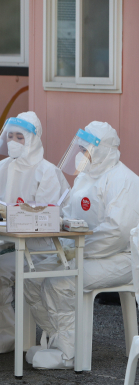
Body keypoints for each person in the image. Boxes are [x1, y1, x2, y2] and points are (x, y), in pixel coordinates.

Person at [24, 122, 139, 369]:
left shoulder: (125, 181)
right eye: (81, 148)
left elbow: (117, 234)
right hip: (84, 251)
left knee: (61, 282)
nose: (81, 155)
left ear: (103, 150)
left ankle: (68, 355)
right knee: (32, 279)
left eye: (87, 151)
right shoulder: (85, 178)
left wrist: (77, 249)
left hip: (121, 257)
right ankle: (57, 341)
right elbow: (68, 213)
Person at [0, 112, 70, 354]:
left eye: (20, 136)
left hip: (40, 250)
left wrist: (12, 214)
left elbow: (46, 217)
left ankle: (8, 335)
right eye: (10, 136)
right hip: (7, 244)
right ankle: (1, 334)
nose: (14, 141)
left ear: (33, 138)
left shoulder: (47, 172)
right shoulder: (1, 167)